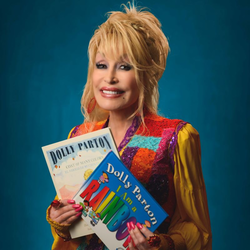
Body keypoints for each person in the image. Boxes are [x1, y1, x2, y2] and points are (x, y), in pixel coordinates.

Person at [46, 2, 212, 250]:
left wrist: (161, 244)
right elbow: (75, 233)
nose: (110, 77)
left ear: (146, 73)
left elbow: (196, 228)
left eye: (125, 66)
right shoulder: (79, 136)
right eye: (102, 65)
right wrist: (59, 219)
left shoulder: (176, 137)